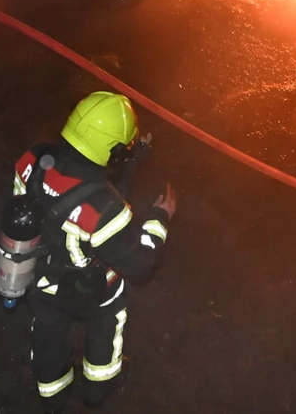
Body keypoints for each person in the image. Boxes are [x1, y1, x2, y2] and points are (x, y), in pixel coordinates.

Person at [12, 92, 175, 411]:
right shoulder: (104, 209)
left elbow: (79, 188)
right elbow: (142, 263)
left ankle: (52, 392)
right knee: (108, 317)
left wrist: (130, 163)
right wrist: (161, 216)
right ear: (111, 149)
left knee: (48, 332)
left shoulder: (31, 160)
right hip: (92, 292)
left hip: (39, 280)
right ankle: (100, 386)